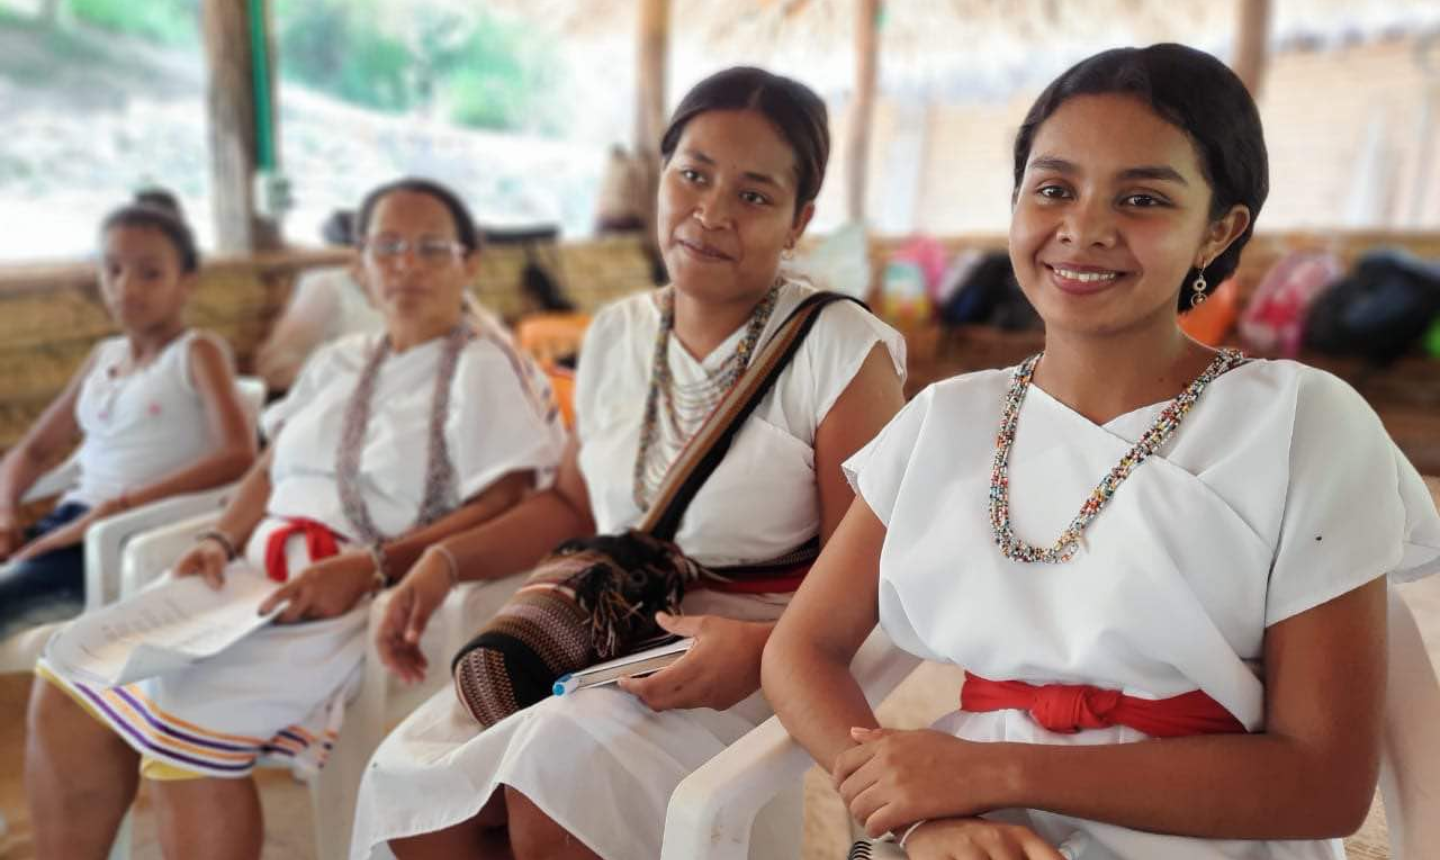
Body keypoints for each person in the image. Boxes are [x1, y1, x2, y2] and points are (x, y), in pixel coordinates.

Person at [763, 44, 1440, 860]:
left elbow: (1324, 783)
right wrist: (923, 815)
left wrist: (996, 772)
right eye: (1053, 189)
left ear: (1217, 232)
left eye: (1144, 197)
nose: (1083, 228)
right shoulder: (942, 422)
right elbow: (801, 648)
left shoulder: (1303, 423)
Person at [351, 66, 908, 860]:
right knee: (421, 800)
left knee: (549, 781)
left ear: (798, 221)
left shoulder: (840, 350)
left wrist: (759, 651)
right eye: (693, 176)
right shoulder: (616, 334)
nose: (710, 213)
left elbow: (867, 582)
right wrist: (442, 561)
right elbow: (574, 508)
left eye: (753, 195)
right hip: (606, 634)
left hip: (752, 656)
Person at [25, 178, 567, 860]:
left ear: (470, 262)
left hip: (362, 594)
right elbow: (267, 465)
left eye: (431, 247)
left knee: (185, 723)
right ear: (358, 264)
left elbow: (503, 503)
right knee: (67, 679)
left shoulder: (482, 366)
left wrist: (369, 565)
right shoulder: (338, 360)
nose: (407, 264)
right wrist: (220, 537)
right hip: (252, 577)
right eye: (388, 246)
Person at [0, 195, 255, 638]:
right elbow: (36, 449)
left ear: (187, 281)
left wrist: (112, 509)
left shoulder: (197, 352)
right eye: (113, 270)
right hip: (65, 525)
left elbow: (238, 454)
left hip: (119, 540)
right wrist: (4, 512)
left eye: (150, 273)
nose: (126, 287)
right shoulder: (105, 356)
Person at [255, 208, 384, 393]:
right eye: (389, 243)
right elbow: (275, 370)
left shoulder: (427, 296)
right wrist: (354, 379)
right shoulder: (331, 286)